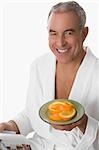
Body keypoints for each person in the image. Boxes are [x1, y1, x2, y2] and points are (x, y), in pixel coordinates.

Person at [0, 1, 99, 149]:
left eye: (69, 33)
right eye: (53, 33)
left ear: (84, 33)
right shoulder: (39, 66)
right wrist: (12, 125)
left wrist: (85, 124)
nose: (60, 43)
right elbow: (32, 112)